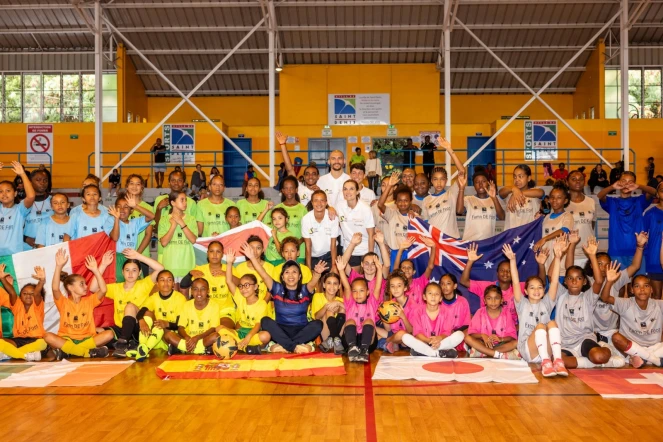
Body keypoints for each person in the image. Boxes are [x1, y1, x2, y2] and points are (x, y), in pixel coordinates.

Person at [555, 236, 624, 369]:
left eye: (579, 278)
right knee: (559, 363)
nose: (574, 281)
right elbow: (551, 277)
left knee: (599, 356)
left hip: (584, 339)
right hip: (565, 343)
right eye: (570, 278)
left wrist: (592, 255)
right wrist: (558, 255)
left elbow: (598, 281)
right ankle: (594, 361)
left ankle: (605, 351)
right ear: (565, 281)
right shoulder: (560, 294)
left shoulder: (587, 297)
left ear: (585, 281)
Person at [244, 243, 325, 354]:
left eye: (294, 272)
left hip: (301, 330)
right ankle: (295, 347)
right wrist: (252, 258)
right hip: (281, 330)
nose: (290, 275)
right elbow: (263, 274)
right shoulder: (276, 288)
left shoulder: (306, 289)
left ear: (300, 276)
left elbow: (314, 280)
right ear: (282, 276)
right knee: (265, 321)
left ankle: (285, 346)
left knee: (318, 324)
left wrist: (317, 273)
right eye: (287, 272)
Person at [505, 242, 568, 377]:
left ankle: (557, 361)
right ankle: (546, 362)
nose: (536, 290)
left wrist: (557, 257)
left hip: (546, 348)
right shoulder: (522, 304)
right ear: (526, 291)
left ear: (543, 290)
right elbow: (515, 282)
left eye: (539, 287)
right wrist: (512, 260)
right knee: (541, 326)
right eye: (532, 287)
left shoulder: (547, 302)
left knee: (552, 323)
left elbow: (555, 282)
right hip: (529, 350)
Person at [91, 249, 164, 358]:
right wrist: (103, 265)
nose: (130, 273)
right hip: (120, 329)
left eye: (134, 270)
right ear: (122, 272)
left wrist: (138, 256)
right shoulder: (116, 288)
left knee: (129, 306)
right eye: (127, 270)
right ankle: (80, 350)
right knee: (97, 331)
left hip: (137, 328)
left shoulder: (143, 284)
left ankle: (122, 345)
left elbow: (161, 269)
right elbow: (93, 288)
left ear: (139, 273)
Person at [43, 249, 114, 359]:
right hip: (67, 339)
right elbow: (55, 288)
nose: (86, 287)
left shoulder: (89, 301)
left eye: (85, 284)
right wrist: (58, 266)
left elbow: (103, 290)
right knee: (47, 336)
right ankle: (86, 353)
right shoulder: (63, 302)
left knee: (109, 334)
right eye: (82, 284)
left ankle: (69, 352)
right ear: (70, 288)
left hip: (87, 339)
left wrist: (95, 270)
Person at [601, 264, 663, 368]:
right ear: (632, 290)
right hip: (630, 349)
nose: (642, 289)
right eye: (637, 286)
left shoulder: (659, 305)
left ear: (652, 290)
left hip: (654, 348)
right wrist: (609, 281)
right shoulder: (626, 303)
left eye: (646, 286)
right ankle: (655, 360)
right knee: (616, 337)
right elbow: (605, 298)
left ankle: (643, 358)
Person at [598, 170, 656, 272]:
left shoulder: (639, 201)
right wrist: (612, 187)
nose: (626, 184)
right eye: (624, 181)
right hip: (616, 250)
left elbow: (654, 192)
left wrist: (639, 186)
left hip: (637, 250)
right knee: (618, 285)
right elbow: (600, 196)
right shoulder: (612, 202)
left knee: (638, 283)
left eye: (630, 182)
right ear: (619, 182)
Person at [129, 269, 187, 361]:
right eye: (162, 280)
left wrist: (167, 324)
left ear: (173, 284)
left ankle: (143, 348)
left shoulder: (180, 298)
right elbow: (141, 311)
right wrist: (141, 321)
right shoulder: (154, 297)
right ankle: (143, 347)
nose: (166, 283)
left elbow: (181, 325)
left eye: (169, 280)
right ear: (157, 283)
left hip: (172, 335)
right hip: (156, 336)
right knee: (147, 313)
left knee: (162, 330)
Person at [400, 282, 466, 358]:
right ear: (424, 297)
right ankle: (436, 353)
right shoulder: (418, 311)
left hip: (441, 343)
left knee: (460, 334)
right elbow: (418, 333)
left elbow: (447, 332)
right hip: (424, 342)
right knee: (405, 337)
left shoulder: (447, 312)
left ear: (441, 298)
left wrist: (439, 338)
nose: (433, 296)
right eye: (430, 293)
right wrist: (429, 341)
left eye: (437, 294)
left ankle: (429, 352)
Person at [223, 250, 271, 354]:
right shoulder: (240, 297)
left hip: (253, 333)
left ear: (255, 287)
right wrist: (229, 263)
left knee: (265, 336)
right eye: (241, 286)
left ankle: (240, 345)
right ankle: (246, 347)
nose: (243, 289)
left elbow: (258, 325)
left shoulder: (261, 304)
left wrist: (248, 338)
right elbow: (229, 281)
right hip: (240, 332)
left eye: (247, 285)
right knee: (219, 329)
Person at [179, 241, 237, 327]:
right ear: (207, 253)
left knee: (223, 331)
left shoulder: (229, 268)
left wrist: (226, 274)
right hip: (204, 311)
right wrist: (189, 274)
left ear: (222, 254)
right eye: (211, 251)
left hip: (225, 311)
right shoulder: (199, 269)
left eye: (218, 251)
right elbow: (183, 285)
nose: (214, 255)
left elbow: (241, 283)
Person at [163, 278, 227, 355]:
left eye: (203, 289)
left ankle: (182, 349)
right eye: (195, 289)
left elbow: (213, 329)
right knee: (168, 335)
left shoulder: (214, 305)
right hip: (189, 339)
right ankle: (201, 349)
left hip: (204, 339)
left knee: (216, 336)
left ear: (208, 291)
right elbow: (180, 327)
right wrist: (187, 337)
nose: (199, 292)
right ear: (191, 291)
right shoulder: (186, 305)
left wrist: (197, 338)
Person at [336, 257, 381, 363]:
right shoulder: (350, 302)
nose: (358, 294)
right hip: (351, 340)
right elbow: (346, 287)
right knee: (350, 321)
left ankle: (364, 351)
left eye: (361, 291)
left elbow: (378, 287)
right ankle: (352, 348)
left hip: (368, 342)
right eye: (355, 291)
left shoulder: (372, 302)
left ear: (368, 292)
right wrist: (341, 270)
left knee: (369, 321)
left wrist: (379, 269)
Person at [421, 139, 466, 239]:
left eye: (442, 179)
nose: (439, 182)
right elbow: (425, 224)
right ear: (431, 181)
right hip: (435, 242)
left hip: (451, 240)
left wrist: (449, 149)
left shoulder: (452, 193)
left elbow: (462, 171)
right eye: (435, 179)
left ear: (446, 181)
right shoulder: (426, 200)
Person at [0, 266, 46, 361]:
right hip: (18, 340)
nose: (28, 295)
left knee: (43, 343)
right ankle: (24, 355)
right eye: (24, 293)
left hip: (36, 339)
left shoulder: (38, 305)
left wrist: (41, 281)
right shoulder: (17, 305)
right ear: (20, 297)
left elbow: (38, 293)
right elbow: (12, 293)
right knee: (1, 342)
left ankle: (11, 353)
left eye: (31, 293)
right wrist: (2, 279)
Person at [107, 194, 155, 281]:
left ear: (131, 210)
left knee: (135, 285)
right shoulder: (111, 220)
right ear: (115, 208)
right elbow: (115, 238)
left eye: (126, 207)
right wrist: (116, 219)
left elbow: (151, 216)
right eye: (119, 206)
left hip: (132, 257)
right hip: (117, 258)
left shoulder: (135, 222)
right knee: (119, 286)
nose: (122, 209)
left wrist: (135, 206)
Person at [465, 284, 519, 359]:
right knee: (467, 338)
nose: (493, 302)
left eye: (496, 298)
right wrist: (482, 335)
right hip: (483, 344)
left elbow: (512, 337)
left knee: (516, 343)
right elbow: (471, 334)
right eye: (489, 298)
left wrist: (500, 339)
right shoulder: (480, 312)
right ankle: (497, 354)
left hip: (501, 345)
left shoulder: (506, 313)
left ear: (501, 300)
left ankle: (485, 353)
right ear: (484, 300)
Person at [158, 191, 198, 287]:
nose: (185, 203)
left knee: (185, 297)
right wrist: (173, 225)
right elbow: (163, 242)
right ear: (173, 203)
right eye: (182, 200)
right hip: (170, 266)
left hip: (187, 266)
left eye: (186, 200)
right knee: (173, 297)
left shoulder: (191, 219)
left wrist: (181, 222)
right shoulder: (164, 219)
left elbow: (193, 240)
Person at [533, 183, 574, 271]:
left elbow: (564, 230)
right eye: (552, 197)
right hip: (545, 261)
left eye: (559, 197)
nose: (555, 200)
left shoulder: (567, 216)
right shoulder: (546, 217)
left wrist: (545, 239)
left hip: (559, 264)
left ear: (565, 200)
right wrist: (536, 220)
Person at [264, 175, 308, 257]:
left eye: (291, 188)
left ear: (296, 190)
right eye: (286, 188)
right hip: (278, 254)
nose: (289, 191)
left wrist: (297, 243)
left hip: (298, 252)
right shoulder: (277, 208)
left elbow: (308, 231)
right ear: (282, 190)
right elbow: (270, 229)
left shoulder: (302, 209)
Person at [0, 162, 35, 261]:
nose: (4, 194)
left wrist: (23, 174)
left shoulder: (20, 210)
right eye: (1, 191)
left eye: (8, 191)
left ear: (15, 193)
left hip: (14, 257)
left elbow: (31, 196)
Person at [277, 131, 322, 208]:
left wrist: (319, 192)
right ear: (304, 177)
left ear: (318, 176)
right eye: (307, 174)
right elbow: (290, 169)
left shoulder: (323, 191)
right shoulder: (299, 188)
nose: (310, 176)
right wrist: (283, 145)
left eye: (314, 174)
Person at [336, 180, 375, 270]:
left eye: (351, 189)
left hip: (365, 250)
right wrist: (330, 208)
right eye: (345, 189)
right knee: (352, 281)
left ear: (357, 191)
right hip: (349, 250)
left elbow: (371, 234)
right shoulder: (339, 206)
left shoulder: (365, 208)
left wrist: (370, 255)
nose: (348, 192)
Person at [376, 271, 416, 354]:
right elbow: (389, 329)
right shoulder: (390, 303)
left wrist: (403, 316)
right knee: (371, 327)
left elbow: (412, 331)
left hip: (407, 336)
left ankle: (386, 343)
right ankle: (392, 343)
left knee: (402, 334)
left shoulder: (413, 305)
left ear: (405, 288)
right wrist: (383, 315)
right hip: (393, 334)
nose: (395, 289)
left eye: (399, 285)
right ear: (389, 289)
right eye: (392, 286)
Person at [459, 171, 504, 241]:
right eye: (477, 182)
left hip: (488, 243)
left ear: (488, 183)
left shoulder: (494, 200)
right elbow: (459, 211)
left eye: (483, 181)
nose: (480, 184)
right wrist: (461, 188)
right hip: (471, 243)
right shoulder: (468, 199)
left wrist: (494, 198)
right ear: (473, 185)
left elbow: (502, 217)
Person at [393, 236, 437, 306]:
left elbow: (430, 267)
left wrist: (433, 247)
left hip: (420, 316)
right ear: (400, 271)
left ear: (414, 271)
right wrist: (401, 249)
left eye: (409, 267)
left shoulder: (420, 282)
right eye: (403, 267)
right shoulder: (398, 285)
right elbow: (395, 270)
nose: (406, 269)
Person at [124, 174, 155, 275]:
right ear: (127, 186)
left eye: (138, 184)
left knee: (142, 288)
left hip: (142, 254)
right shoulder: (121, 205)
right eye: (131, 183)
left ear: (142, 188)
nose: (134, 186)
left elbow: (148, 234)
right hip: (124, 253)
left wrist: (137, 253)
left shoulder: (148, 208)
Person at [302, 190, 339, 271]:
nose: (319, 203)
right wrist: (308, 267)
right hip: (313, 256)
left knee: (330, 280)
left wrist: (334, 266)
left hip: (329, 255)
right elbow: (308, 247)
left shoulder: (332, 217)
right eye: (316, 200)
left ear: (326, 202)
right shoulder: (306, 219)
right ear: (311, 202)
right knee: (314, 281)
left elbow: (333, 245)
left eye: (322, 200)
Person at [499, 165, 545, 229]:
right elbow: (501, 193)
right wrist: (513, 189)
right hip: (511, 236)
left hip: (529, 236)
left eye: (520, 176)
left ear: (528, 178)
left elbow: (541, 193)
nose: (517, 179)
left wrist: (517, 193)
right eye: (515, 177)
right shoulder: (509, 194)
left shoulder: (533, 194)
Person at [566, 170, 596, 268]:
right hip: (568, 253)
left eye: (581, 179)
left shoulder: (591, 201)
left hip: (588, 252)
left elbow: (592, 224)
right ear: (567, 182)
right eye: (573, 179)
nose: (577, 182)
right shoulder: (562, 202)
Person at [310, 272, 346, 354]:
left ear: (339, 286)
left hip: (336, 340)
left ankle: (333, 339)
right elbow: (316, 317)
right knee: (329, 310)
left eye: (335, 283)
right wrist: (326, 307)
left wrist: (338, 303)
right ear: (324, 285)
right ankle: (334, 338)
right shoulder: (317, 296)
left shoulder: (340, 300)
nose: (332, 286)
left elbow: (352, 312)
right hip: (324, 333)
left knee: (343, 309)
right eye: (329, 283)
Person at [377, 178, 413, 259]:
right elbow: (380, 204)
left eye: (406, 200)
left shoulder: (415, 217)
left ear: (411, 201)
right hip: (394, 252)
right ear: (395, 202)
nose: (403, 203)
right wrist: (389, 185)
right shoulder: (392, 214)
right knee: (394, 272)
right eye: (399, 200)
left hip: (410, 253)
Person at [232, 235, 275, 302]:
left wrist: (262, 305)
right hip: (244, 307)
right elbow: (236, 289)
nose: (254, 251)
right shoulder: (239, 268)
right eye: (251, 248)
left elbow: (271, 290)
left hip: (264, 306)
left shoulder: (270, 267)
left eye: (258, 248)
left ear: (263, 250)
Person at [643, 182, 663, 298]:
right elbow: (643, 237)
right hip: (655, 260)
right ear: (658, 194)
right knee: (656, 298)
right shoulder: (650, 214)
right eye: (662, 189)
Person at [23, 167, 52, 249]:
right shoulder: (24, 203)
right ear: (30, 182)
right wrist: (25, 238)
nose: (42, 183)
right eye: (38, 180)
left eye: (45, 180)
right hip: (27, 247)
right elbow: (15, 226)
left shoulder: (54, 201)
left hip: (48, 245)